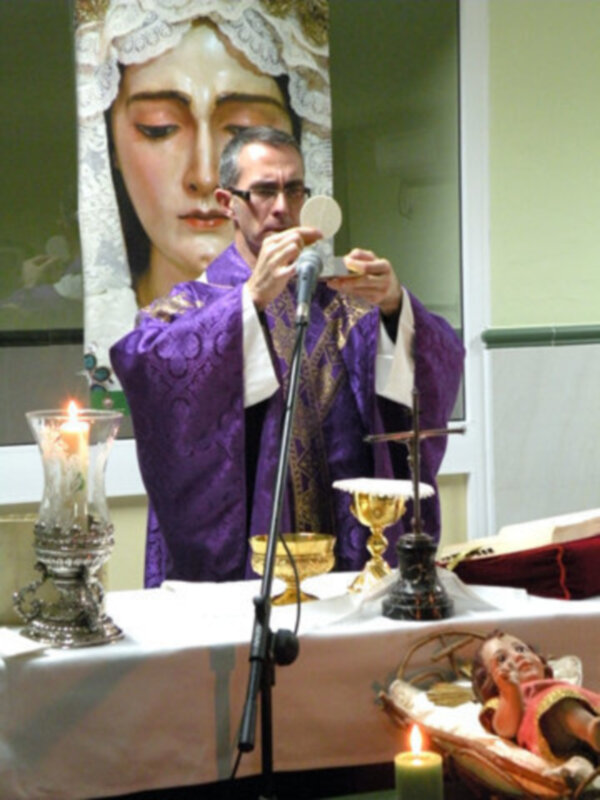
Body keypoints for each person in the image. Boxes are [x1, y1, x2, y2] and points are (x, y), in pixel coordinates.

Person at [110, 126, 464, 587]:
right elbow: (145, 365)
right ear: (227, 202)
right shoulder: (194, 305)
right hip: (248, 566)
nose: (282, 207)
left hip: (350, 563)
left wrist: (396, 308)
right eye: (263, 191)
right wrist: (249, 302)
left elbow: (432, 373)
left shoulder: (346, 305)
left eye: (293, 189)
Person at [109, 19, 298, 306]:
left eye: (244, 129)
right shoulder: (135, 337)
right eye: (159, 127)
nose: (206, 176)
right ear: (111, 146)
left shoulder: (325, 324)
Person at [472, 630, 600, 763]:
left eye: (521, 649)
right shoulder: (502, 700)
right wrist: (509, 692)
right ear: (490, 682)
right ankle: (592, 729)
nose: (517, 656)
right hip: (551, 730)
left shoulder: (558, 685)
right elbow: (505, 729)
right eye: (502, 659)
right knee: (559, 704)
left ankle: (581, 769)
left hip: (583, 742)